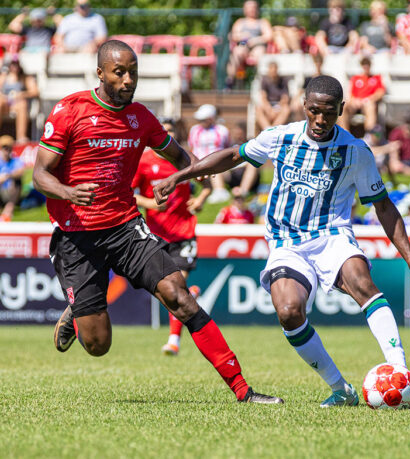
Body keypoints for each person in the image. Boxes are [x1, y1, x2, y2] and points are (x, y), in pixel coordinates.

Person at [154, 75, 410, 408]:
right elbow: (233, 155)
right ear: (304, 106)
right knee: (289, 311)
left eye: (330, 113)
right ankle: (341, 389)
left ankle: (403, 374)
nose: (321, 120)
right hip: (286, 242)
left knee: (361, 281)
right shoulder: (280, 138)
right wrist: (179, 176)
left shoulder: (355, 151)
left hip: (332, 235)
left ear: (341, 110)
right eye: (315, 111)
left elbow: (383, 205)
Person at [33, 40, 282, 404]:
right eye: (120, 72)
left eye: (133, 72)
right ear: (100, 73)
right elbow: (40, 174)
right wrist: (68, 193)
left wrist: (191, 170)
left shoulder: (141, 118)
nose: (128, 79)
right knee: (98, 345)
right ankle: (77, 309)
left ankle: (243, 390)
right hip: (76, 236)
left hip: (125, 227)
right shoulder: (69, 111)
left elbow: (176, 152)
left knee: (180, 296)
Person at [131, 118, 211, 356]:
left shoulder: (184, 159)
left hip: (184, 232)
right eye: (162, 132)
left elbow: (206, 185)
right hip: (156, 235)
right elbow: (129, 194)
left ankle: (173, 340)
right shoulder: (143, 162)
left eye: (170, 132)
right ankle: (191, 294)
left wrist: (200, 199)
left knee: (177, 288)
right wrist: (150, 204)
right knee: (171, 290)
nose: (166, 136)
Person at [0, 58, 39, 144]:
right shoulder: (3, 77)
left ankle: (21, 137)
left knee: (22, 104)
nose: (14, 67)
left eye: (16, 65)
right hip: (5, 103)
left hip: (18, 103)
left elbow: (35, 91)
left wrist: (22, 94)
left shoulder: (25, 78)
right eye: (12, 65)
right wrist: (0, 96)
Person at [187, 104, 232, 204]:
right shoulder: (194, 130)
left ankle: (219, 191)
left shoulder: (222, 130)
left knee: (215, 164)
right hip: (197, 163)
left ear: (211, 119)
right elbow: (191, 147)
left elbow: (227, 147)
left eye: (203, 119)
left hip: (219, 164)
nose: (200, 122)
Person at [226, 0, 273, 88]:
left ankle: (260, 83)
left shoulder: (262, 22)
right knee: (237, 52)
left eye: (253, 7)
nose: (251, 10)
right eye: (249, 8)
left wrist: (256, 40)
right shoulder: (240, 22)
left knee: (260, 53)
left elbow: (269, 35)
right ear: (245, 9)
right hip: (244, 44)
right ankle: (230, 80)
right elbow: (233, 36)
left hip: (258, 46)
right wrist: (242, 36)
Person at [344, 56, 385, 131]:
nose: (366, 66)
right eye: (364, 64)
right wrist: (355, 100)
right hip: (356, 103)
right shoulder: (356, 78)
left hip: (368, 102)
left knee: (370, 106)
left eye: (367, 64)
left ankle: (369, 133)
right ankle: (344, 132)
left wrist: (369, 99)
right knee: (343, 106)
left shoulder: (376, 78)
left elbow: (381, 92)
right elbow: (350, 94)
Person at [256, 61, 291, 131]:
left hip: (279, 104)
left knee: (286, 109)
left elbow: (285, 98)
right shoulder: (264, 80)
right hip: (268, 104)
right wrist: (269, 109)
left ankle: (272, 130)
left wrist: (276, 108)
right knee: (258, 109)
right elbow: (263, 97)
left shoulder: (283, 80)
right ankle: (267, 129)